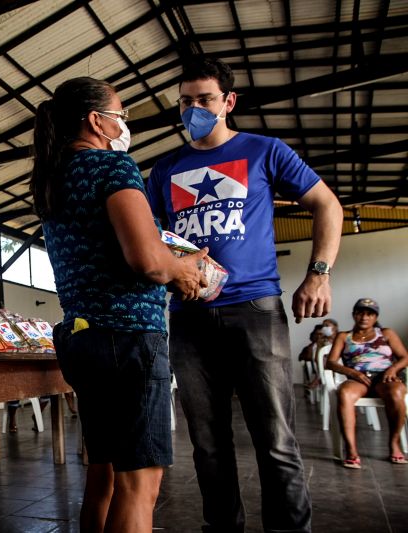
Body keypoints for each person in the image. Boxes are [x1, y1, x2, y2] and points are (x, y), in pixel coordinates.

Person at [146, 57, 343, 533]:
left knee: (275, 439)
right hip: (190, 315)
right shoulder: (165, 169)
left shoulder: (264, 150)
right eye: (186, 100)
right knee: (208, 444)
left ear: (228, 102)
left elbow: (326, 204)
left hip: (254, 309)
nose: (194, 108)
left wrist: (318, 274)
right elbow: (150, 236)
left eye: (205, 99)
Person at [29, 76, 207, 533]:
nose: (124, 124)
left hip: (84, 339)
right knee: (139, 486)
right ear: (97, 121)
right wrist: (184, 269)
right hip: (129, 341)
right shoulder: (114, 168)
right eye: (121, 115)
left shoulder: (55, 177)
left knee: (103, 474)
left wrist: (170, 261)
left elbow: (112, 251)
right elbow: (147, 260)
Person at [325, 298, 408, 468]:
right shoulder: (343, 336)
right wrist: (353, 372)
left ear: (375, 317)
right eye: (360, 313)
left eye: (369, 314)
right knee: (345, 393)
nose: (364, 317)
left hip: (384, 378)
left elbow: (405, 357)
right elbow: (331, 363)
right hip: (358, 379)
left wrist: (392, 370)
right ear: (354, 315)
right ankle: (351, 450)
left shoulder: (386, 333)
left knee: (397, 392)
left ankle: (394, 443)